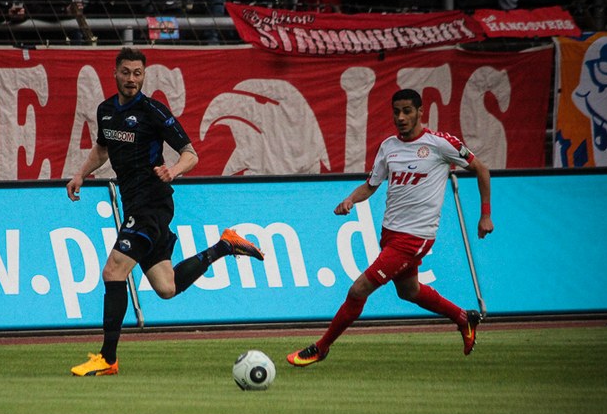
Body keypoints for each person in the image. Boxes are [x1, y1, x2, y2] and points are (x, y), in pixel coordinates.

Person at [65, 47, 265, 377]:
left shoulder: (153, 111)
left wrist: (173, 170)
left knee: (113, 272)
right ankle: (224, 246)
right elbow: (102, 149)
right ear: (115, 73)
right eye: (126, 72)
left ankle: (107, 358)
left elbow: (191, 154)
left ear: (144, 76)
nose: (132, 79)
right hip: (135, 203)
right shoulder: (105, 111)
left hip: (151, 204)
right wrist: (80, 175)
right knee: (166, 287)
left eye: (138, 73)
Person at [287, 88, 493, 367]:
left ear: (420, 112)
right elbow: (371, 185)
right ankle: (463, 318)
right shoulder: (389, 147)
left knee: (358, 290)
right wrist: (350, 200)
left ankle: (321, 347)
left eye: (407, 111)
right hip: (390, 234)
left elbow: (482, 169)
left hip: (415, 237)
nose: (401, 117)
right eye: (396, 112)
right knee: (408, 291)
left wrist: (485, 215)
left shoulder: (440, 144)